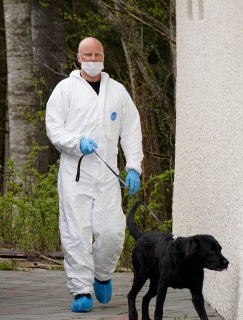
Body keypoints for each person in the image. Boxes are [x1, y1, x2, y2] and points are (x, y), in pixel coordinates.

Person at [45, 37, 143, 313]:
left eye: (97, 54)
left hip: (108, 173)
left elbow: (132, 130)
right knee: (76, 232)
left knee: (112, 231)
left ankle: (102, 274)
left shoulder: (117, 92)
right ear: (78, 58)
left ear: (104, 57)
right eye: (87, 54)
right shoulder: (65, 90)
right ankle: (81, 290)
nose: (92, 59)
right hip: (76, 173)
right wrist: (77, 143)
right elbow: (54, 128)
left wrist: (134, 166)